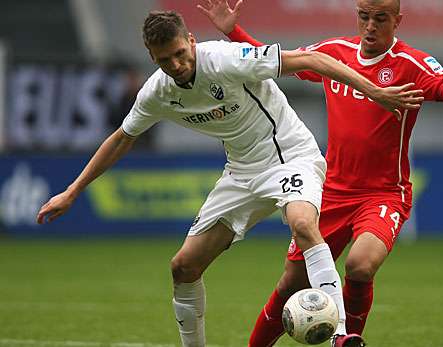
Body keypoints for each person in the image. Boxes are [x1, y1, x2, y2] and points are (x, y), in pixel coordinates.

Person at [35, 9, 421, 347]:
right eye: (165, 60)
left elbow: (314, 60)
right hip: (240, 173)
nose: (177, 65)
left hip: (289, 156)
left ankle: (339, 331)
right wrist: (72, 192)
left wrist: (376, 91)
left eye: (181, 54)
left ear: (191, 40)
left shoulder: (227, 59)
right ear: (153, 58)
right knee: (183, 267)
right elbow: (121, 139)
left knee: (303, 223)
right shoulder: (157, 91)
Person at [198, 0, 443, 346]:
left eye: (380, 19)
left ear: (397, 21)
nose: (370, 26)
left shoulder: (412, 64)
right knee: (291, 283)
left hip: (383, 194)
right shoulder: (335, 52)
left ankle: (344, 339)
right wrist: (231, 31)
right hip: (330, 192)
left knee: (360, 265)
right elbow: (274, 61)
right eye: (364, 17)